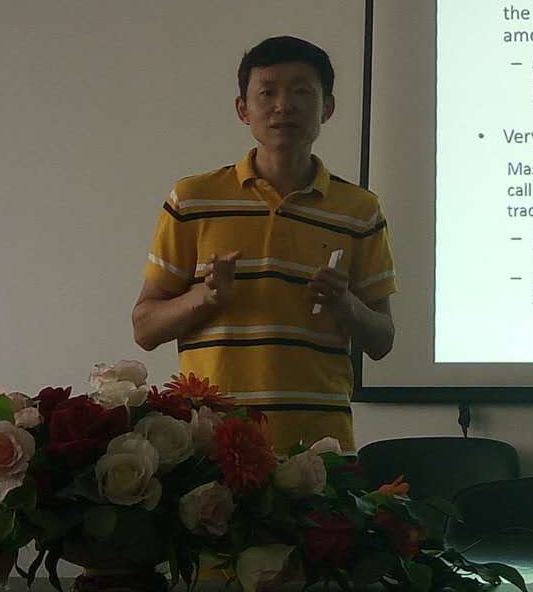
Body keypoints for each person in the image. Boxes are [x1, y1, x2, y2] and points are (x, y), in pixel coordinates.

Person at [132, 36, 396, 452]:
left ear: (327, 108)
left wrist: (344, 303)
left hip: (319, 447)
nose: (283, 106)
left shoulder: (359, 209)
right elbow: (145, 328)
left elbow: (383, 340)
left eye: (301, 92)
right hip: (211, 448)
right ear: (243, 109)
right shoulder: (193, 199)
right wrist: (206, 297)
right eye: (267, 92)